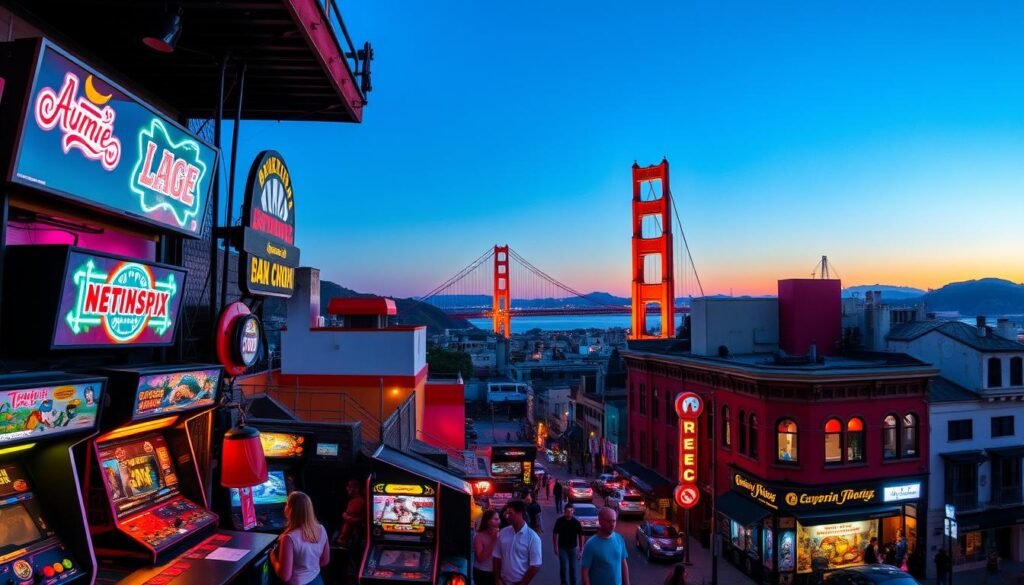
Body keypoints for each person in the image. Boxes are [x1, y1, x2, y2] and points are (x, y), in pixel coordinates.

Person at [270, 492, 330, 585]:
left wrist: (273, 557)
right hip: (317, 580)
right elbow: (324, 561)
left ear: (290, 510)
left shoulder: (289, 538)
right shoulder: (321, 529)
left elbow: (285, 576)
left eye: (287, 504)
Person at [493, 499, 542, 585]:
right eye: (506, 513)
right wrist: (497, 579)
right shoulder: (503, 532)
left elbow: (535, 565)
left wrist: (523, 583)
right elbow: (496, 557)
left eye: (510, 513)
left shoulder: (533, 538)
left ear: (520, 513)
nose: (507, 516)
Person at [581, 507, 630, 585]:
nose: (612, 524)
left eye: (614, 521)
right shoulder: (590, 545)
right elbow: (584, 573)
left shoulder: (619, 539)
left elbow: (623, 564)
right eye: (608, 521)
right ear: (600, 521)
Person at [553, 503, 585, 585]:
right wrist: (555, 547)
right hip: (562, 548)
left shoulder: (576, 522)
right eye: (567, 511)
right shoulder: (559, 521)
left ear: (573, 512)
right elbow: (555, 534)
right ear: (565, 512)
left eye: (571, 511)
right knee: (563, 567)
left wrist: (581, 549)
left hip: (573, 548)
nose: (569, 513)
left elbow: (581, 536)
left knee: (573, 569)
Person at [336, 479, 365, 548]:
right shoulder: (353, 501)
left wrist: (341, 538)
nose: (347, 488)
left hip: (353, 540)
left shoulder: (358, 502)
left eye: (350, 486)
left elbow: (350, 522)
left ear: (357, 489)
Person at [474, 510, 500, 585]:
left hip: (496, 572)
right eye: (496, 519)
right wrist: (494, 541)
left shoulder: (501, 534)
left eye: (498, 519)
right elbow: (480, 558)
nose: (498, 521)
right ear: (488, 522)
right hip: (482, 572)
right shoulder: (479, 536)